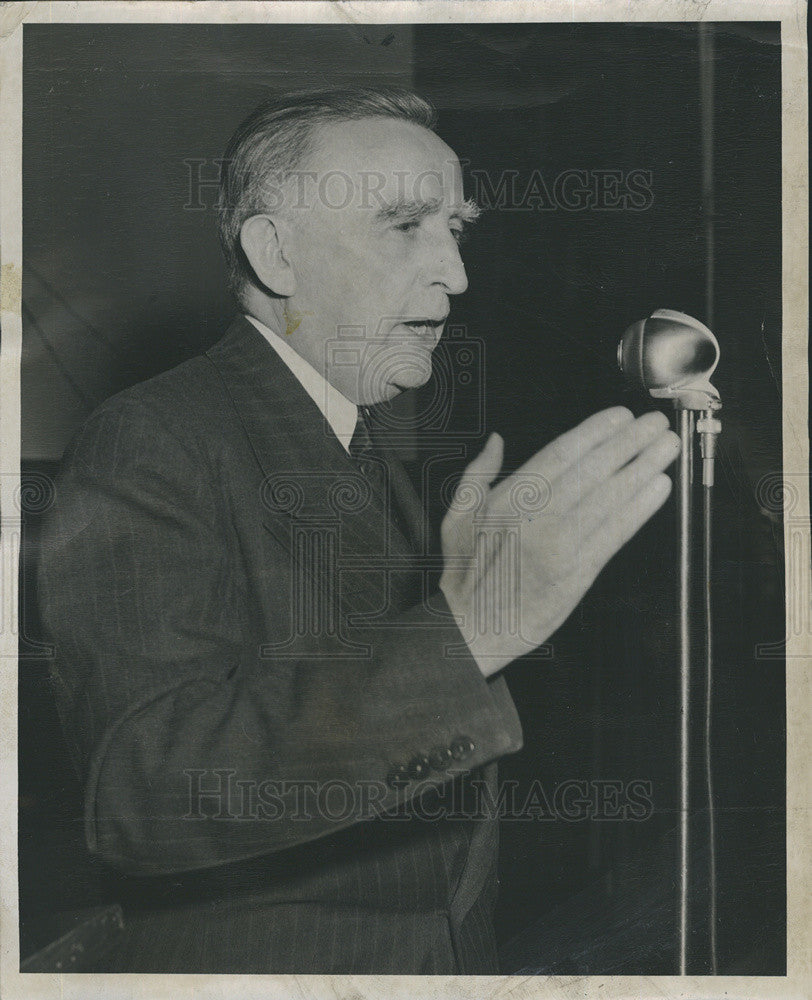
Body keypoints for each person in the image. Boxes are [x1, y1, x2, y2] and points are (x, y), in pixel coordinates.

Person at [37, 86, 679, 974]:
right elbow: (144, 795)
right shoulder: (153, 437)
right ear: (277, 253)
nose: (455, 273)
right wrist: (470, 630)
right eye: (407, 225)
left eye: (457, 229)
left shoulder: (354, 438)